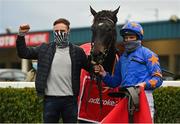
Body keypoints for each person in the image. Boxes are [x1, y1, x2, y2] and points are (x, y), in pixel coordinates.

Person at [16, 18, 89, 123]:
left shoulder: (78, 52)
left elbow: (91, 68)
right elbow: (23, 53)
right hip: (50, 100)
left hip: (70, 101)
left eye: (62, 31)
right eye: (56, 31)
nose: (59, 33)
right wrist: (21, 35)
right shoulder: (44, 49)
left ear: (69, 32)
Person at [94, 21, 163, 121]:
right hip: (125, 99)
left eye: (131, 37)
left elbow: (158, 79)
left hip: (144, 98)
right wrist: (103, 74)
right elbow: (115, 82)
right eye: (126, 38)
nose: (128, 40)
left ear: (138, 38)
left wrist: (144, 85)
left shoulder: (148, 54)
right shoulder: (122, 59)